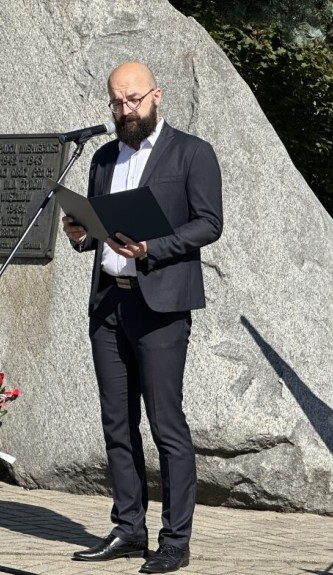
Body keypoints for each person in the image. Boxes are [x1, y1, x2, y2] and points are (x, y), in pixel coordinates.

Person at [63, 61, 223, 574]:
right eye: (116, 102)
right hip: (109, 301)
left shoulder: (192, 153)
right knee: (116, 423)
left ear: (157, 96)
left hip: (161, 306)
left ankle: (174, 541)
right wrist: (80, 234)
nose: (125, 110)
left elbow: (209, 224)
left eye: (133, 100)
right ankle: (129, 528)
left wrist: (153, 245)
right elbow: (99, 229)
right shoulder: (105, 157)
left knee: (166, 426)